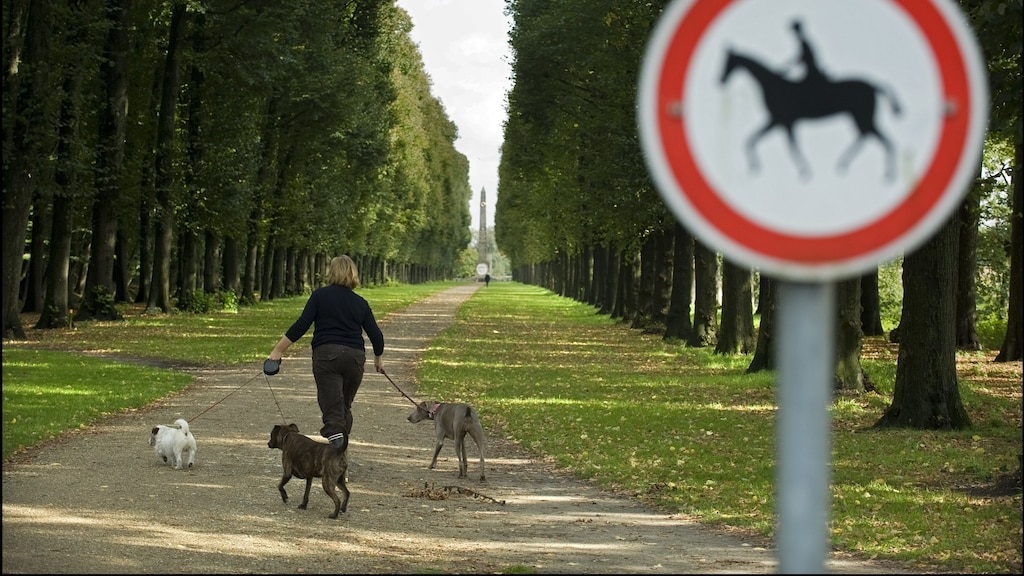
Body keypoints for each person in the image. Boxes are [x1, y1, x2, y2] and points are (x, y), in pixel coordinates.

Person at [265, 255, 384, 450]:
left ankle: (336, 452)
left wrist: (277, 351)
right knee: (343, 406)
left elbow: (302, 325)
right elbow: (376, 336)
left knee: (332, 409)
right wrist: (378, 359)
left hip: (326, 355)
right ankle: (340, 454)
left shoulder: (320, 296)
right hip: (355, 358)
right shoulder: (360, 303)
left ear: (332, 272)